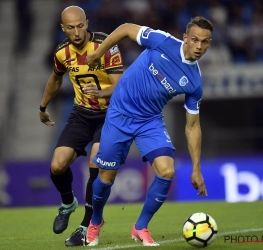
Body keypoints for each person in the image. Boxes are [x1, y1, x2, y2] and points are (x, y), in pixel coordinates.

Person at [84, 16, 214, 246]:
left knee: (166, 171)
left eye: (205, 42)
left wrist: (196, 168)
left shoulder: (194, 82)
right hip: (120, 114)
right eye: (195, 40)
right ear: (185, 38)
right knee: (106, 178)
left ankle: (140, 227)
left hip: (150, 121)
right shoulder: (162, 41)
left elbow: (192, 126)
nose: (199, 46)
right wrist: (96, 54)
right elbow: (125, 28)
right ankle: (95, 221)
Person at [39, 6, 123, 247]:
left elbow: (122, 85)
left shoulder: (106, 44)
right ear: (62, 28)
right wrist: (43, 108)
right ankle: (68, 203)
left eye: (80, 26)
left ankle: (87, 226)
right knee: (57, 165)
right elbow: (56, 78)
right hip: (82, 114)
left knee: (95, 160)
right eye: (71, 28)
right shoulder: (62, 53)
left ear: (87, 23)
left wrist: (102, 92)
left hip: (111, 114)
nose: (77, 32)